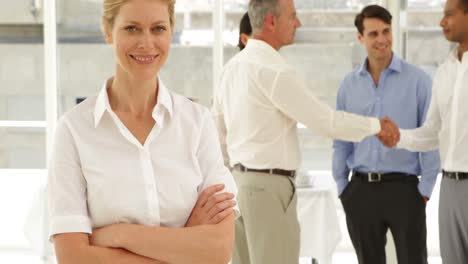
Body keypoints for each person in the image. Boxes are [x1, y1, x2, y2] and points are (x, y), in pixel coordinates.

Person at [48, 0, 239, 263]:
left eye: (158, 28)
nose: (146, 43)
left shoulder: (197, 124)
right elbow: (72, 257)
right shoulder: (74, 131)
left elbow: (218, 249)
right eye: (132, 28)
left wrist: (119, 235)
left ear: (171, 31)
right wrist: (185, 242)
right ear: (107, 31)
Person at [212, 0, 399, 263]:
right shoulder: (274, 70)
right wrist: (376, 125)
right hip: (268, 191)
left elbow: (218, 135)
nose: (298, 23)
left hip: (237, 187)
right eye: (293, 16)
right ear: (271, 22)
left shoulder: (230, 69)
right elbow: (325, 122)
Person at [332, 5, 440, 264]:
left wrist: (424, 190)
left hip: (405, 190)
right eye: (373, 34)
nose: (382, 39)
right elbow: (341, 139)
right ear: (360, 38)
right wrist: (342, 186)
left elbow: (431, 136)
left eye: (386, 31)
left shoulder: (419, 81)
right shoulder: (348, 85)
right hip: (360, 190)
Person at [379, 0, 468, 262]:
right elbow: (432, 131)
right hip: (450, 187)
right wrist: (399, 137)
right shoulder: (445, 70)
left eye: (449, 15)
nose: (442, 22)